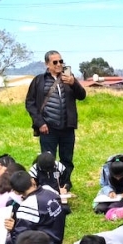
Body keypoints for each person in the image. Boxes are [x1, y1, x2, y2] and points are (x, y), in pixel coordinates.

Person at [26, 51, 86, 191]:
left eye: (61, 61)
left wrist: (74, 83)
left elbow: (82, 95)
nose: (59, 64)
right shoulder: (39, 80)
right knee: (48, 160)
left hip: (67, 127)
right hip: (48, 128)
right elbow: (30, 103)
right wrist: (39, 123)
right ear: (47, 64)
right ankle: (48, 187)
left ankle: (65, 185)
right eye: (55, 62)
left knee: (67, 159)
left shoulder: (69, 79)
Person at [0, 171, 66, 244]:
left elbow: (19, 240)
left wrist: (12, 229)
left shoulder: (28, 205)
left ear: (16, 192)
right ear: (33, 180)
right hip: (57, 239)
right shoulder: (50, 191)